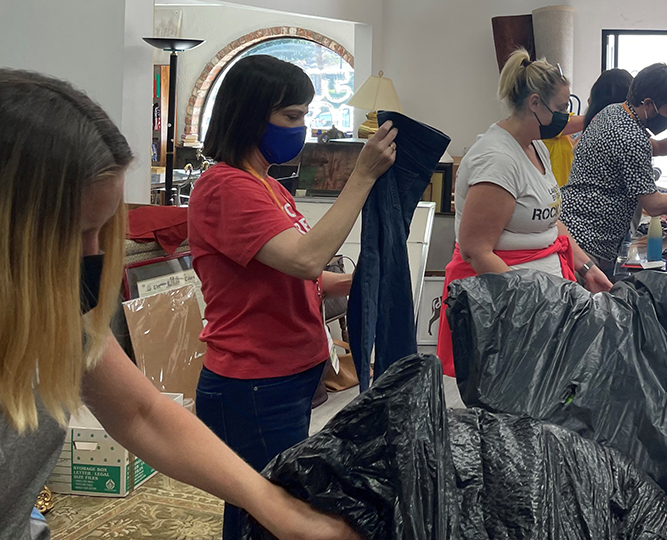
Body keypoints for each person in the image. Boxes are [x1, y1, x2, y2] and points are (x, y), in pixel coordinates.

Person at [0, 69, 362, 540]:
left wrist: (282, 509)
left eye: (101, 231)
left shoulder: (60, 313)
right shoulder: (228, 186)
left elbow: (141, 413)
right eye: (71, 234)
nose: (92, 258)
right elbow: (304, 259)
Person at [188, 55, 395, 539]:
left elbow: (300, 278)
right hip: (254, 381)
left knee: (265, 503)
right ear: (249, 114)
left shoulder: (266, 184)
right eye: (292, 117)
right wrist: (361, 177)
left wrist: (360, 282)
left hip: (285, 374)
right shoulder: (225, 187)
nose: (302, 128)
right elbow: (305, 259)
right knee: (266, 510)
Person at [436, 49, 612, 377]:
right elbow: (476, 251)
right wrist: (532, 305)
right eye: (561, 108)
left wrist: (586, 267)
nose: (566, 116)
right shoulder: (497, 160)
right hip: (506, 309)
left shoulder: (536, 147)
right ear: (534, 103)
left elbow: (549, 221)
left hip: (543, 300)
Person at [560, 59, 667, 274]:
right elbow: (653, 205)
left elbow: (658, 147)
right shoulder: (632, 138)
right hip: (589, 241)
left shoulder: (612, 112)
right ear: (649, 104)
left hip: (571, 230)